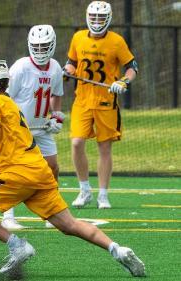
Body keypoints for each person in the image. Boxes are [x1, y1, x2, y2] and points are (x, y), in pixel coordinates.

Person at [0, 60, 145, 277]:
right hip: (39, 171)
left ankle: (17, 245)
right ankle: (117, 249)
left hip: (19, 172)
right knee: (69, 225)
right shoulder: (8, 103)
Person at [65, 1, 138, 209]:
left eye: (101, 17)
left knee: (104, 148)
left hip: (106, 101)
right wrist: (68, 70)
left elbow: (132, 67)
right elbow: (71, 62)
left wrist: (124, 81)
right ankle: (85, 189)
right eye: (94, 17)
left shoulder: (116, 41)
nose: (97, 21)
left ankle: (103, 194)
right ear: (88, 17)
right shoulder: (78, 37)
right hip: (82, 100)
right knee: (77, 142)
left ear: (108, 18)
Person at [2, 24, 64, 230]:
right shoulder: (20, 67)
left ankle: (51, 211)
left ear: (52, 44)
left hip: (41, 127)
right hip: (19, 128)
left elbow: (56, 94)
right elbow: (5, 98)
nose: (40, 50)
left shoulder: (55, 67)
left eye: (44, 46)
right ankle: (8, 215)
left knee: (52, 166)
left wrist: (56, 117)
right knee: (13, 170)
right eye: (36, 46)